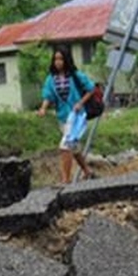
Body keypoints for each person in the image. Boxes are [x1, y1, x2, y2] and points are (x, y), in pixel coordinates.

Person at [37, 47, 96, 184]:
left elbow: (91, 89)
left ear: (67, 59)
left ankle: (65, 180)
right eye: (56, 59)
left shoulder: (75, 75)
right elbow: (48, 95)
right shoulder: (51, 79)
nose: (58, 62)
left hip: (76, 118)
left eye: (61, 59)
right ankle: (87, 171)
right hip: (63, 118)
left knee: (65, 146)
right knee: (73, 148)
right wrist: (43, 108)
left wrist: (80, 103)